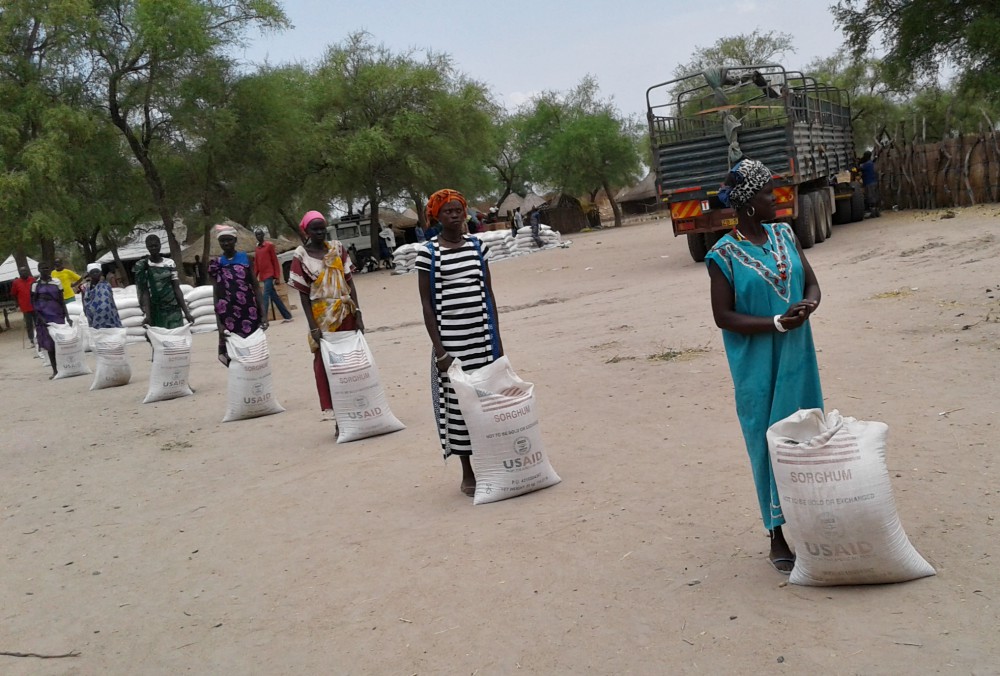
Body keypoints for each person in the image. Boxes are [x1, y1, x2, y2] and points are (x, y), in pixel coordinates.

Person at [706, 158, 823, 575]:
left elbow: (811, 282)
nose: (775, 199)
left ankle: (813, 520)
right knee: (767, 442)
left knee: (807, 434)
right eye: (766, 194)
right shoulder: (722, 255)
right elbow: (724, 316)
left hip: (797, 356)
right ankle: (776, 532)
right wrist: (774, 322)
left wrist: (808, 304)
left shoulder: (785, 234)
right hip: (756, 364)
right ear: (748, 204)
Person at [416, 189, 505, 497]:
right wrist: (440, 350)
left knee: (486, 400)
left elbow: (489, 294)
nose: (454, 215)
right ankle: (467, 471)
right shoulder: (428, 253)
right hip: (452, 344)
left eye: (458, 210)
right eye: (447, 211)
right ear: (436, 217)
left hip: (481, 338)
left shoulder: (477, 247)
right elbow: (427, 305)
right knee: (458, 406)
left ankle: (494, 462)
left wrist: (497, 340)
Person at [288, 210, 365, 420]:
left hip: (345, 314)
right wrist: (313, 326)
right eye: (315, 229)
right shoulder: (300, 256)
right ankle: (340, 416)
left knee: (351, 363)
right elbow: (304, 295)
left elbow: (349, 282)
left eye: (322, 228)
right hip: (323, 320)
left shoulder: (337, 249)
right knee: (328, 366)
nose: (320, 232)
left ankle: (359, 408)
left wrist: (358, 313)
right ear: (307, 231)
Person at [211, 224, 267, 366]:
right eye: (222, 241)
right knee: (236, 356)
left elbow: (255, 286)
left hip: (250, 313)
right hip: (228, 316)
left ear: (235, 240)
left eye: (229, 240)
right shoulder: (216, 264)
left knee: (253, 351)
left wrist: (264, 315)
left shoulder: (246, 258)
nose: (226, 243)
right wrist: (219, 323)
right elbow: (216, 295)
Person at [133, 234, 194, 329]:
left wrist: (186, 312)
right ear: (147, 247)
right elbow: (144, 292)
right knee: (162, 340)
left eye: (156, 245)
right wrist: (148, 316)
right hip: (156, 310)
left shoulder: (169, 263)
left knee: (177, 338)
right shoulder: (143, 266)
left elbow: (176, 288)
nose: (153, 248)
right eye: (150, 246)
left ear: (160, 245)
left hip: (173, 308)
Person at [30, 261, 71, 378]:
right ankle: (55, 370)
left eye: (47, 268)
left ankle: (66, 368)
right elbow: (33, 303)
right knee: (49, 344)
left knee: (60, 342)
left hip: (58, 316)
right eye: (42, 268)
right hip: (43, 318)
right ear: (38, 270)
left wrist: (67, 316)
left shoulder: (57, 282)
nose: (45, 270)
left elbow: (62, 300)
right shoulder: (35, 285)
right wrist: (39, 317)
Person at [253, 229, 293, 323]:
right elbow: (257, 264)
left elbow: (275, 261)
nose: (258, 236)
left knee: (265, 296)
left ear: (263, 235)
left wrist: (277, 276)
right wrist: (255, 276)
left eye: (260, 234)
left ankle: (264, 319)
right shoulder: (257, 249)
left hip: (269, 274)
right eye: (257, 235)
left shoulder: (269, 246)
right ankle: (287, 316)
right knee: (274, 297)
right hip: (263, 276)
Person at [81, 263, 123, 329]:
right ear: (89, 274)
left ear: (100, 273)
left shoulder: (106, 285)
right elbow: (84, 300)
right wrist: (85, 310)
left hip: (108, 316)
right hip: (93, 315)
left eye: (97, 272)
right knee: (97, 335)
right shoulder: (84, 287)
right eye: (92, 272)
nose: (95, 274)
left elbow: (111, 301)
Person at [10, 266, 36, 347]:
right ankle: (32, 340)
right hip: (25, 307)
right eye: (22, 271)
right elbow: (13, 294)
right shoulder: (16, 282)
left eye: (25, 271)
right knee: (29, 324)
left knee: (38, 322)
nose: (23, 272)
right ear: (19, 272)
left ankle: (40, 338)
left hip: (35, 305)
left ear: (27, 271)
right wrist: (17, 304)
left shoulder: (32, 280)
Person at [860, 150, 880, 217]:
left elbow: (858, 168)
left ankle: (873, 213)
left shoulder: (865, 165)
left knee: (870, 198)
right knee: (875, 196)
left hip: (869, 183)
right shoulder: (871, 163)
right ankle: (877, 212)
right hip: (874, 182)